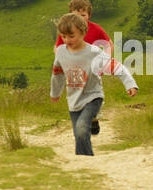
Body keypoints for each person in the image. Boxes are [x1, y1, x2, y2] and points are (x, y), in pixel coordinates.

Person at [50, 12, 138, 156]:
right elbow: (57, 75)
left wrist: (130, 84)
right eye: (63, 36)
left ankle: (86, 160)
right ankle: (83, 159)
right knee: (78, 134)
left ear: (83, 32)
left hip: (93, 96)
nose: (67, 40)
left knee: (81, 128)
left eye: (71, 36)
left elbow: (115, 66)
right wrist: (55, 93)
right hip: (74, 100)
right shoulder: (61, 52)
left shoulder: (94, 52)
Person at [53, 0, 111, 135]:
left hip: (92, 69)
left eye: (83, 15)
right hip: (74, 69)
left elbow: (108, 44)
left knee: (94, 92)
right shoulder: (67, 31)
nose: (80, 18)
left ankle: (94, 116)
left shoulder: (96, 29)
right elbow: (58, 48)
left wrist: (105, 63)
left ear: (89, 15)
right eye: (76, 15)